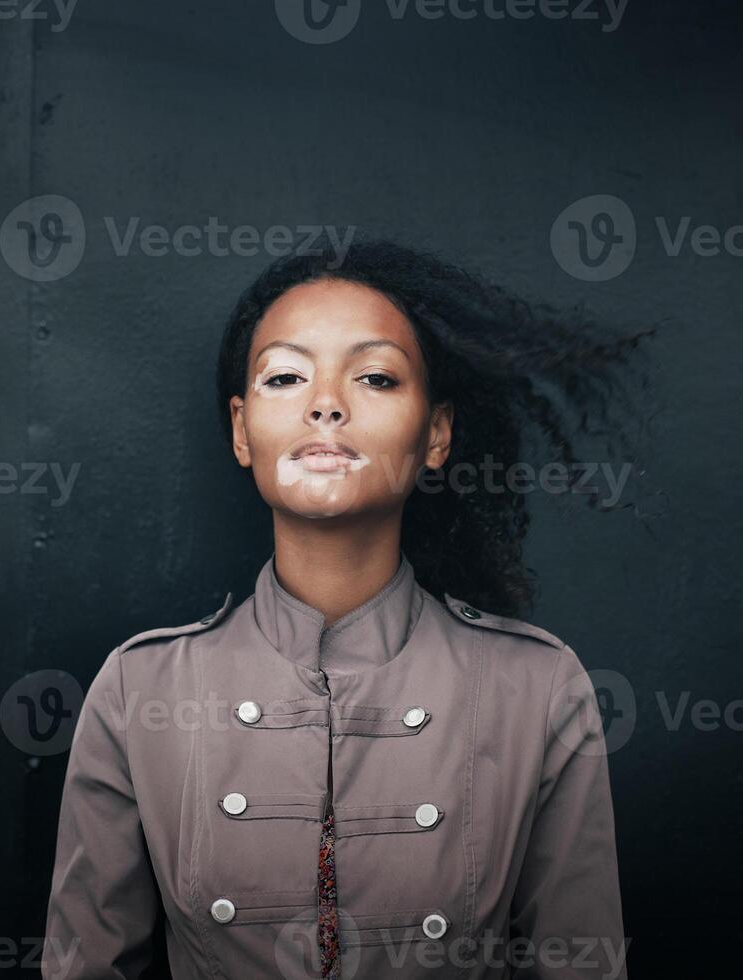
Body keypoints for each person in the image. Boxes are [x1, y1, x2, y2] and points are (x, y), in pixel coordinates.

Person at [43, 238, 651, 979]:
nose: (326, 404)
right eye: (287, 376)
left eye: (374, 376)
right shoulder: (140, 691)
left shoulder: (539, 690)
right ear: (241, 430)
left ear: (436, 434)